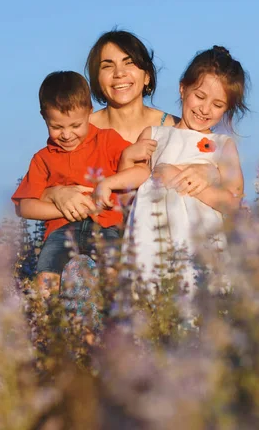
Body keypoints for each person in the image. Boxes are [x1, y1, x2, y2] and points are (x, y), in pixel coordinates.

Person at [94, 45, 249, 293]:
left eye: (218, 104)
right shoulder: (155, 135)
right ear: (182, 88)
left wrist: (185, 181)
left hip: (200, 245)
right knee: (147, 304)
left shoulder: (222, 146)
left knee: (198, 308)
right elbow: (133, 189)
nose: (205, 109)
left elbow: (234, 203)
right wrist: (114, 175)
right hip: (150, 239)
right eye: (199, 97)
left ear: (227, 109)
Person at [41, 29, 218, 220]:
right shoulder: (77, 128)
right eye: (107, 66)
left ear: (147, 76)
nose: (119, 73)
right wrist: (55, 193)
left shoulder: (176, 128)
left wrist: (210, 172)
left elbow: (226, 173)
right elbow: (39, 183)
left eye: (129, 63)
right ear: (97, 80)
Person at [11, 71, 140, 295]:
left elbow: (142, 172)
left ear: (90, 112)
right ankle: (44, 326)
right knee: (46, 279)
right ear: (44, 118)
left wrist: (108, 184)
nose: (67, 135)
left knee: (111, 278)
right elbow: (24, 206)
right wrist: (64, 208)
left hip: (105, 226)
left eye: (75, 125)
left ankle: (110, 327)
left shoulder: (107, 140)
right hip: (60, 231)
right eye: (57, 127)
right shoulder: (43, 158)